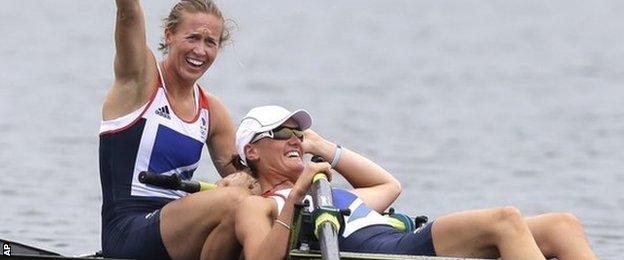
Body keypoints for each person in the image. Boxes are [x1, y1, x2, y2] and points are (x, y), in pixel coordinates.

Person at [233, 105, 598, 260]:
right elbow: (260, 258)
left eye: (299, 133)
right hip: (383, 254)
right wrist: (297, 193)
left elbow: (389, 186)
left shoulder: (335, 193)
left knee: (562, 225)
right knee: (505, 218)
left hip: (400, 241)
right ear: (252, 151)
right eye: (282, 133)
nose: (295, 140)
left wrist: (322, 148)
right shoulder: (260, 204)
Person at [99, 1, 256, 259]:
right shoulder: (140, 78)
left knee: (253, 206)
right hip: (127, 233)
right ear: (169, 35)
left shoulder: (211, 110)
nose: (200, 51)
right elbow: (128, 14)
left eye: (210, 42)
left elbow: (251, 182)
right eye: (192, 38)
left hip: (178, 232)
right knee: (235, 202)